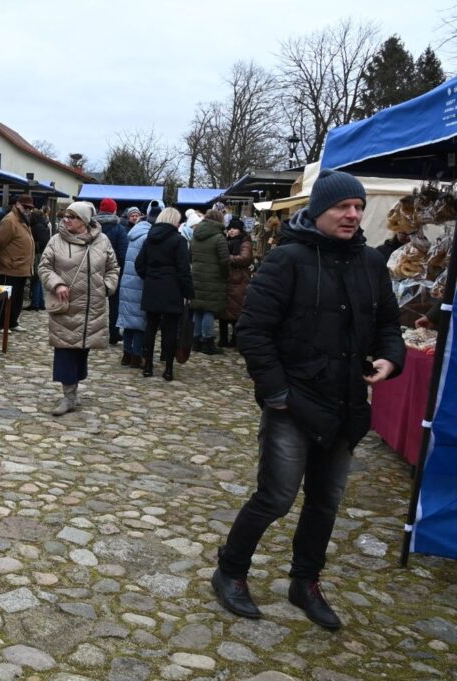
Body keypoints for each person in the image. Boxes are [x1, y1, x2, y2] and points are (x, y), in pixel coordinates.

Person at [211, 170, 405, 631]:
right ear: (319, 210)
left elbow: (387, 326)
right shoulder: (287, 260)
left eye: (358, 207)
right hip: (293, 404)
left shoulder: (370, 265)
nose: (353, 214)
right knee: (276, 497)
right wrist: (276, 392)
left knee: (325, 502)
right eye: (343, 206)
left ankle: (305, 582)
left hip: (345, 404)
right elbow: (253, 332)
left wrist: (391, 359)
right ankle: (231, 571)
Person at [38, 201, 119, 416]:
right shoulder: (56, 241)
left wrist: (107, 287)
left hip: (92, 307)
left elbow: (113, 268)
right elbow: (44, 266)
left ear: (84, 221)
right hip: (66, 307)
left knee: (82, 350)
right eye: (65, 216)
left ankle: (73, 391)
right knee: (65, 351)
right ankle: (68, 395)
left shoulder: (102, 241)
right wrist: (57, 283)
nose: (66, 220)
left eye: (71, 217)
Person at [136, 207, 194, 381]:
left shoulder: (150, 238)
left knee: (150, 327)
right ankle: (168, 368)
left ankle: (147, 366)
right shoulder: (179, 240)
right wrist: (188, 292)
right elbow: (184, 270)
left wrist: (150, 277)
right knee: (170, 330)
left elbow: (139, 264)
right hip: (172, 288)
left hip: (152, 286)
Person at [0, 194, 36, 332]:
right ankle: (0, 324)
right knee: (5, 299)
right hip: (9, 267)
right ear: (17, 204)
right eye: (25, 207)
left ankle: (12, 322)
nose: (28, 210)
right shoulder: (10, 220)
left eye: (30, 208)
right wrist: (5, 259)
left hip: (20, 268)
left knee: (17, 298)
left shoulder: (23, 220)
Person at [189, 208, 230, 355]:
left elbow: (190, 256)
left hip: (197, 277)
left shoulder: (195, 235)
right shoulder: (219, 238)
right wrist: (226, 275)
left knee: (198, 308)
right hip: (214, 278)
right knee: (209, 310)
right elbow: (224, 261)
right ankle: (207, 342)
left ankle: (196, 340)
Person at [116, 208, 152, 367]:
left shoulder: (131, 235)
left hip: (127, 282)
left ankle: (126, 354)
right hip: (139, 283)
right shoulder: (146, 237)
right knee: (139, 323)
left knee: (128, 322)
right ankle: (136, 356)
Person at [96, 198, 127, 345]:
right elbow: (122, 253)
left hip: (93, 269)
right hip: (113, 271)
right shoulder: (119, 229)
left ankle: (93, 332)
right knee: (114, 304)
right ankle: (114, 333)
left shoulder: (92, 227)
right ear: (114, 210)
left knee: (94, 302)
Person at [219, 217, 253, 348]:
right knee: (223, 312)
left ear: (240, 230)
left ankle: (235, 339)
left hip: (239, 280)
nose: (231, 231)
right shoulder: (227, 241)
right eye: (230, 228)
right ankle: (223, 339)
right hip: (227, 279)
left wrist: (228, 258)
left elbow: (246, 258)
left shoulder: (245, 242)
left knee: (236, 312)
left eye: (234, 228)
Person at [27, 208, 52, 311]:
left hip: (37, 254)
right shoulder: (43, 225)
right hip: (42, 254)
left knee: (36, 278)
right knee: (38, 279)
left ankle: (35, 303)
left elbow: (41, 242)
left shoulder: (37, 227)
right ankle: (40, 302)